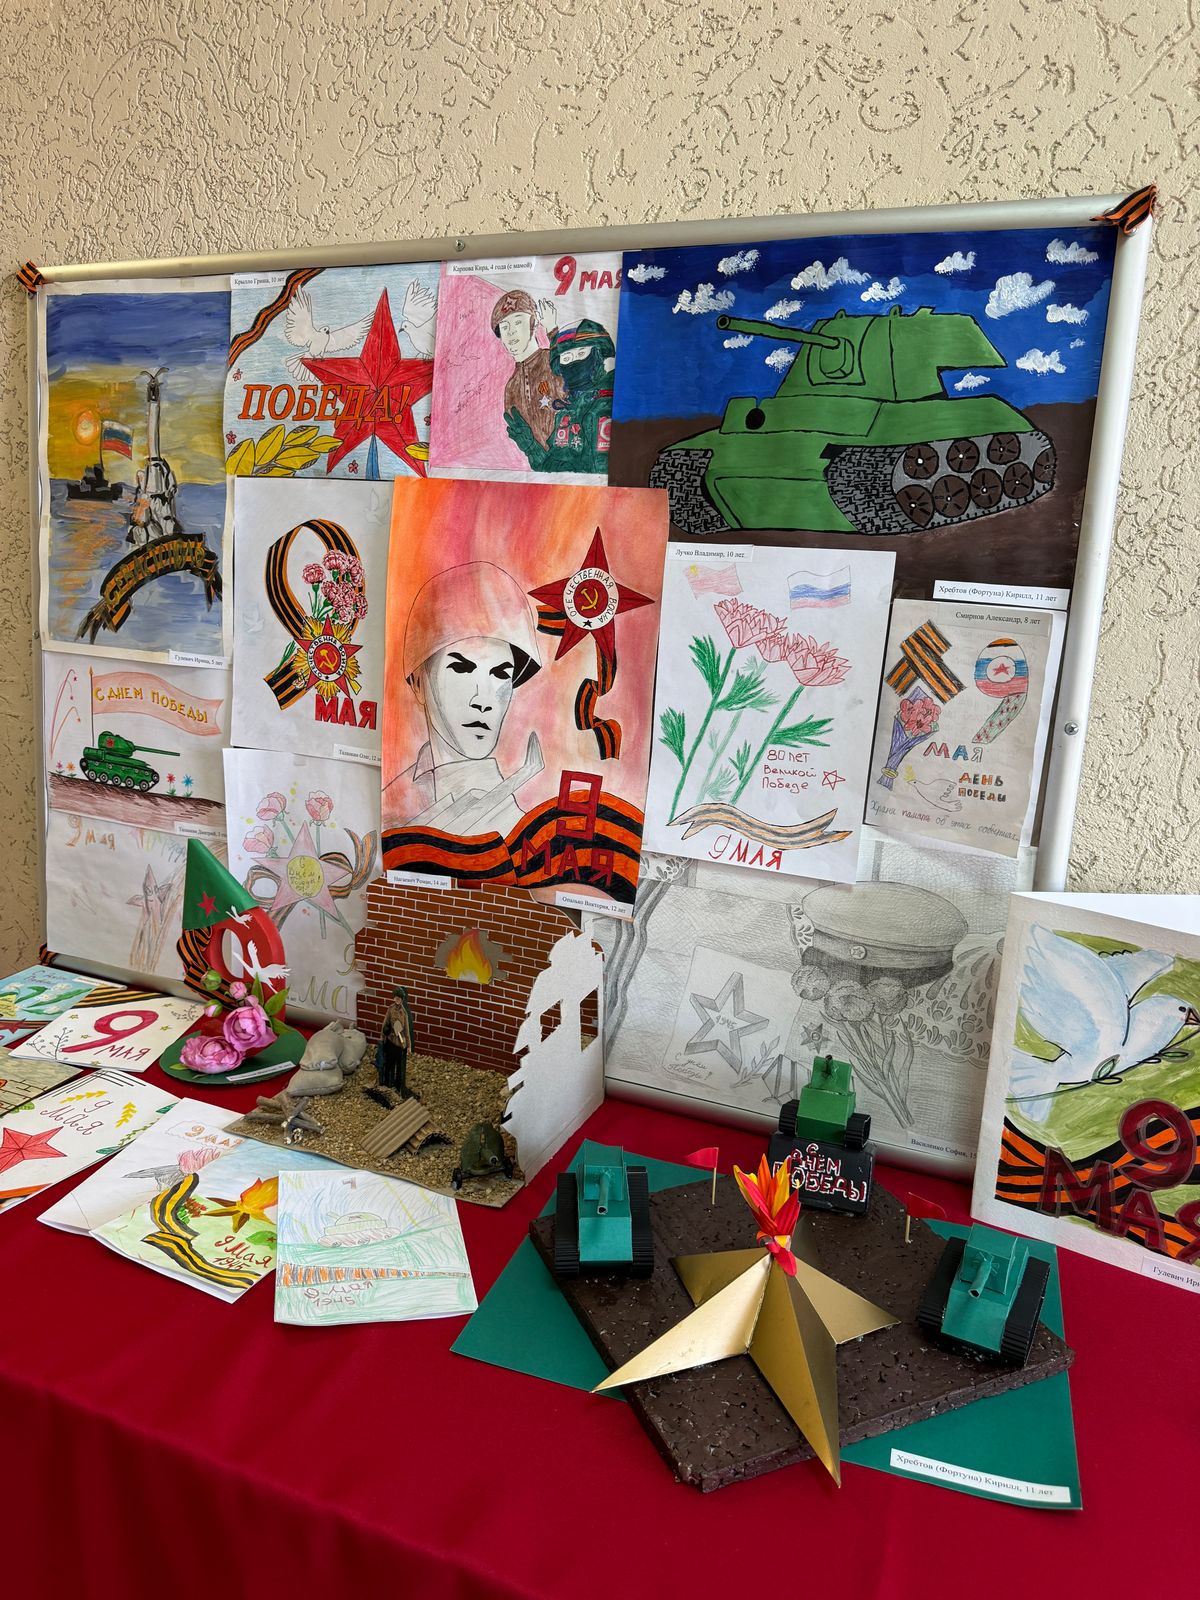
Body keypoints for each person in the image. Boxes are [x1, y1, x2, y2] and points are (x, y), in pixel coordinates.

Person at [386, 561, 544, 834]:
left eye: (500, 673)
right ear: (419, 684)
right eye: (461, 668)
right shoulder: (391, 804)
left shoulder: (518, 830)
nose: (483, 699)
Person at [506, 318, 616, 475]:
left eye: (581, 353)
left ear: (598, 354)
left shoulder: (605, 406)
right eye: (566, 358)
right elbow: (551, 469)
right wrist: (531, 447)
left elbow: (598, 474)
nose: (573, 363)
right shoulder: (566, 414)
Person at [491, 289, 565, 450]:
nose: (511, 332)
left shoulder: (552, 359)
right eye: (504, 327)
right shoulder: (511, 388)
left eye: (518, 322)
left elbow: (571, 374)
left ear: (534, 323)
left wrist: (553, 332)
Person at [376, 985, 415, 1097]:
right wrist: (382, 1036)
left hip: (399, 1044)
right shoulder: (390, 1009)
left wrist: (409, 1046)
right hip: (390, 1040)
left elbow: (407, 1030)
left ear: (402, 999)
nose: (397, 1000)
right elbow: (385, 1023)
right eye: (396, 997)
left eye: (399, 998)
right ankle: (387, 1085)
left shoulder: (404, 1013)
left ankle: (398, 1088)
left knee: (399, 1068)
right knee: (388, 1064)